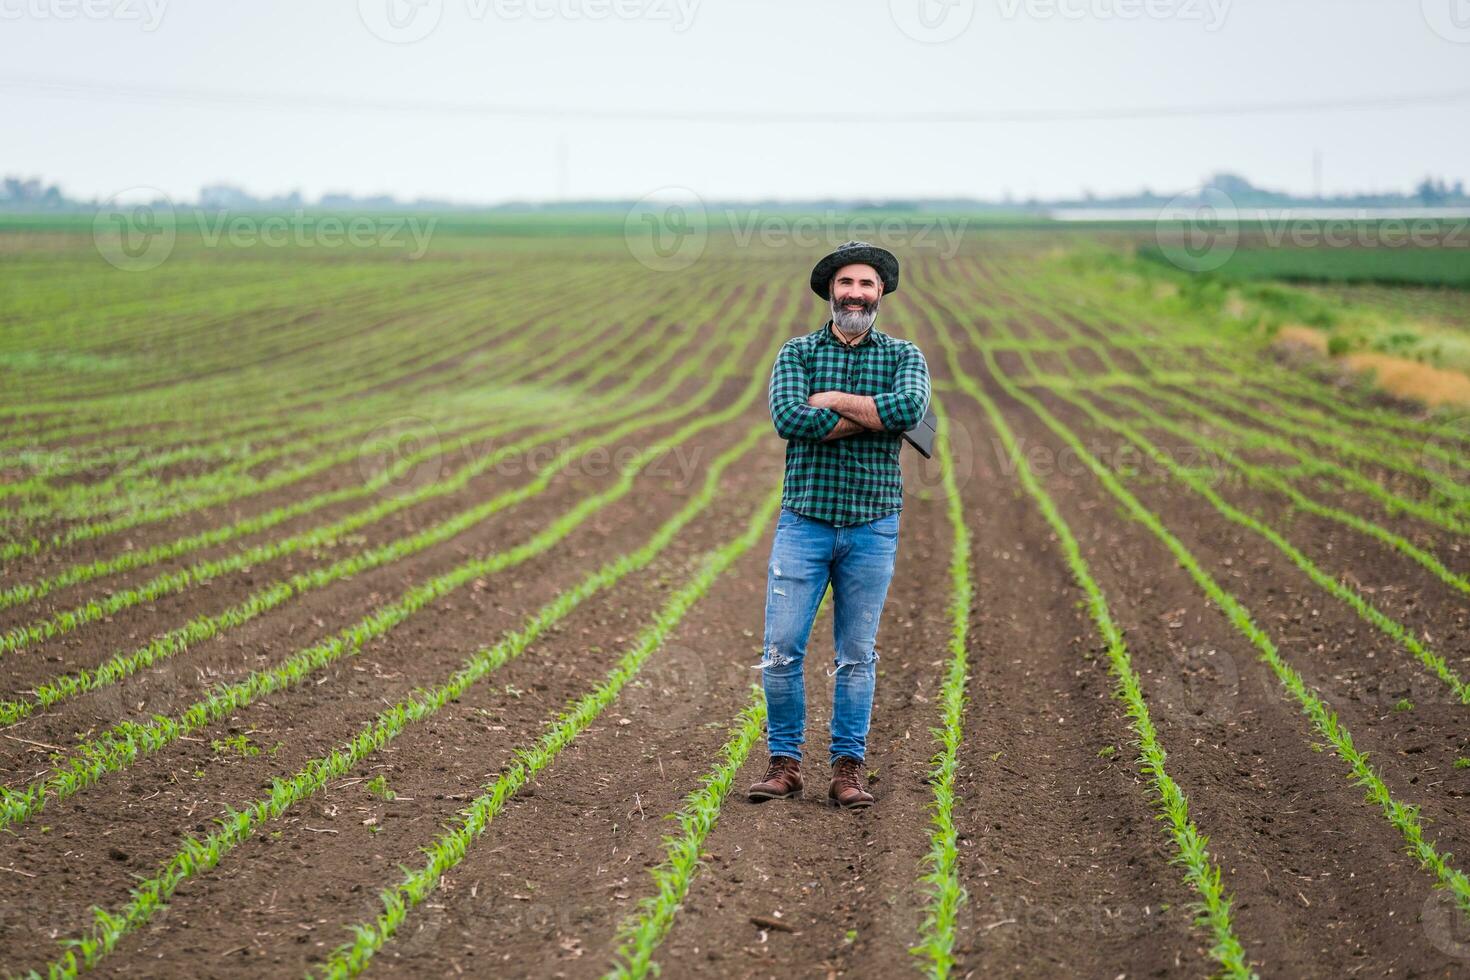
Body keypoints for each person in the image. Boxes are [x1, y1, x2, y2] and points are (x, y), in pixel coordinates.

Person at [747, 240, 931, 810]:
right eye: (846, 283)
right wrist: (870, 414)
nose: (855, 293)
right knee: (781, 652)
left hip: (873, 525)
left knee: (857, 655)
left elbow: (908, 413)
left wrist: (833, 401)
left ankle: (848, 770)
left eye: (867, 284)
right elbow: (789, 419)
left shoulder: (905, 356)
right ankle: (785, 765)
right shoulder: (797, 353)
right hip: (804, 522)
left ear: (881, 294)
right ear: (831, 290)